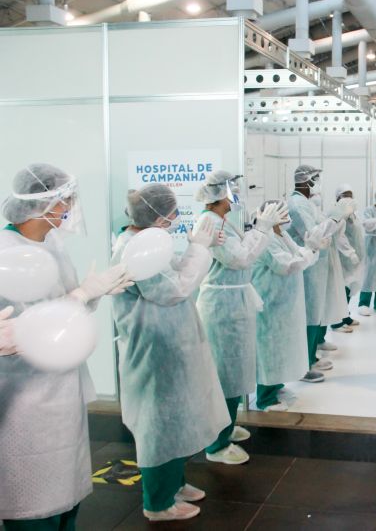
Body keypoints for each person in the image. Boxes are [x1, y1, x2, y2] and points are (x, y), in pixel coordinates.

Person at [0, 164, 132, 530]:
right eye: (66, 200)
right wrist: (83, 294)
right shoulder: (6, 252)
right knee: (31, 495)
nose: (71, 207)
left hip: (63, 388)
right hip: (24, 396)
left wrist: (91, 293)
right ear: (45, 204)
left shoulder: (52, 244)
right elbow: (28, 328)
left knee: (65, 490)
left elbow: (64, 310)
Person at [111, 183, 229, 522]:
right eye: (173, 212)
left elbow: (174, 268)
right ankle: (158, 502)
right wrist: (200, 251)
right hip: (153, 349)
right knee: (159, 424)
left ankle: (174, 483)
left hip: (169, 343)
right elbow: (174, 289)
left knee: (178, 419)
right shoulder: (134, 249)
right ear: (157, 216)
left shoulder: (148, 241)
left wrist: (195, 248)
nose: (177, 218)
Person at [193, 172, 289, 465]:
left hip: (233, 301)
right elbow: (240, 259)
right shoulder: (208, 221)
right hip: (222, 306)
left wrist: (260, 229)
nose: (238, 192)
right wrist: (261, 229)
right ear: (220, 193)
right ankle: (216, 445)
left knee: (235, 371)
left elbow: (241, 251)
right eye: (233, 189)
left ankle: (227, 425)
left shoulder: (223, 220)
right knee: (225, 374)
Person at [288, 165, 354, 381]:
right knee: (309, 316)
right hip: (308, 269)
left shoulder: (306, 203)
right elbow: (313, 235)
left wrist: (338, 219)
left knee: (315, 313)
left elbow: (326, 229)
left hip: (317, 266)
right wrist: (336, 217)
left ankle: (310, 357)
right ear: (306, 180)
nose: (318, 182)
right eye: (316, 178)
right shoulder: (297, 205)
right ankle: (303, 365)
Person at [251, 201, 319, 409]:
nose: (288, 216)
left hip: (284, 303)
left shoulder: (281, 234)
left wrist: (310, 250)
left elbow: (299, 256)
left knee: (282, 347)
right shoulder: (266, 239)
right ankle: (265, 399)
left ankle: (276, 386)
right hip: (270, 303)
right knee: (270, 350)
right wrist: (310, 250)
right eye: (283, 213)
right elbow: (287, 265)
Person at [331, 184, 364, 333]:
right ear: (338, 198)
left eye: (351, 195)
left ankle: (345, 316)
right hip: (343, 257)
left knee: (349, 287)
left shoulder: (352, 213)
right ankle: (337, 322)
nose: (349, 198)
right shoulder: (339, 214)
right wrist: (349, 252)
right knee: (341, 289)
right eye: (345, 195)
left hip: (353, 257)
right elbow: (339, 236)